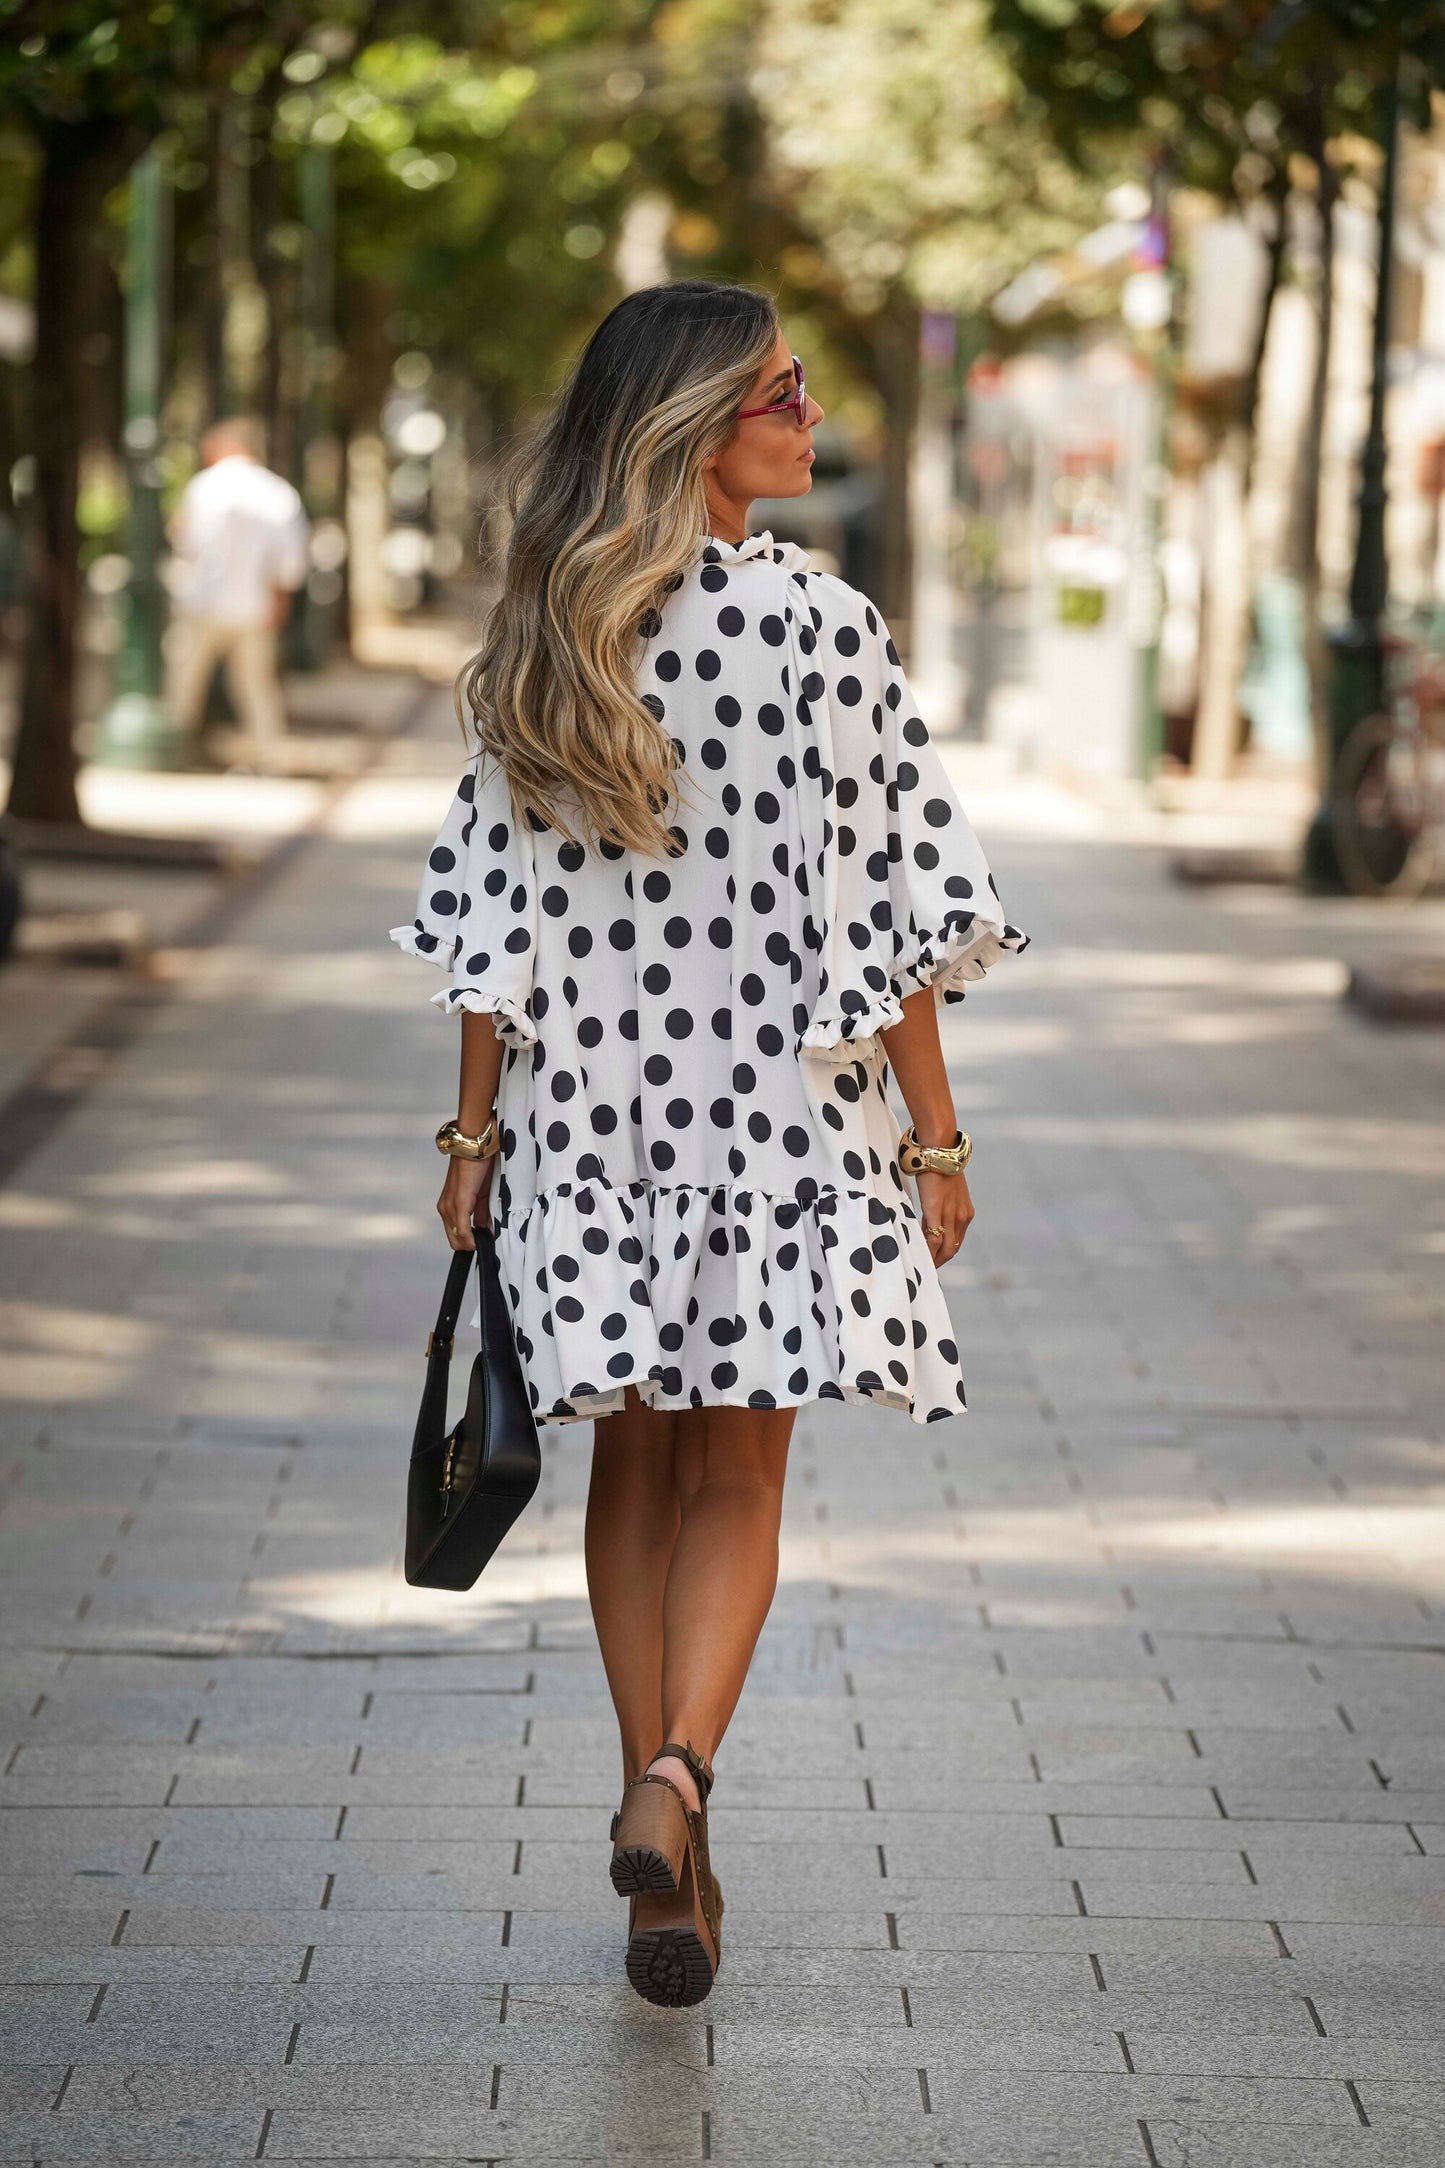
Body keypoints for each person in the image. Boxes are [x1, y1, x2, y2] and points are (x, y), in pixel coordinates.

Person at [391, 281, 1028, 2008]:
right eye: (781, 392)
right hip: (779, 1122)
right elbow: (894, 907)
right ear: (691, 424)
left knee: (635, 1471)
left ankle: (651, 1807)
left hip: (594, 1114)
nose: (810, 416)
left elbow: (491, 914)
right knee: (742, 1476)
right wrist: (940, 1140)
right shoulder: (821, 626)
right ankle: (678, 1781)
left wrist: (474, 1134)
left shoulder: (553, 620)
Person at [166, 418, 309, 771]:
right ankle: (269, 758)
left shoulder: (203, 487)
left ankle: (173, 750)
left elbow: (186, 542)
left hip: (204, 603)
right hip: (254, 605)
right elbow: (291, 561)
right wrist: (279, 602)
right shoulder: (278, 492)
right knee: (256, 686)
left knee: (185, 681)